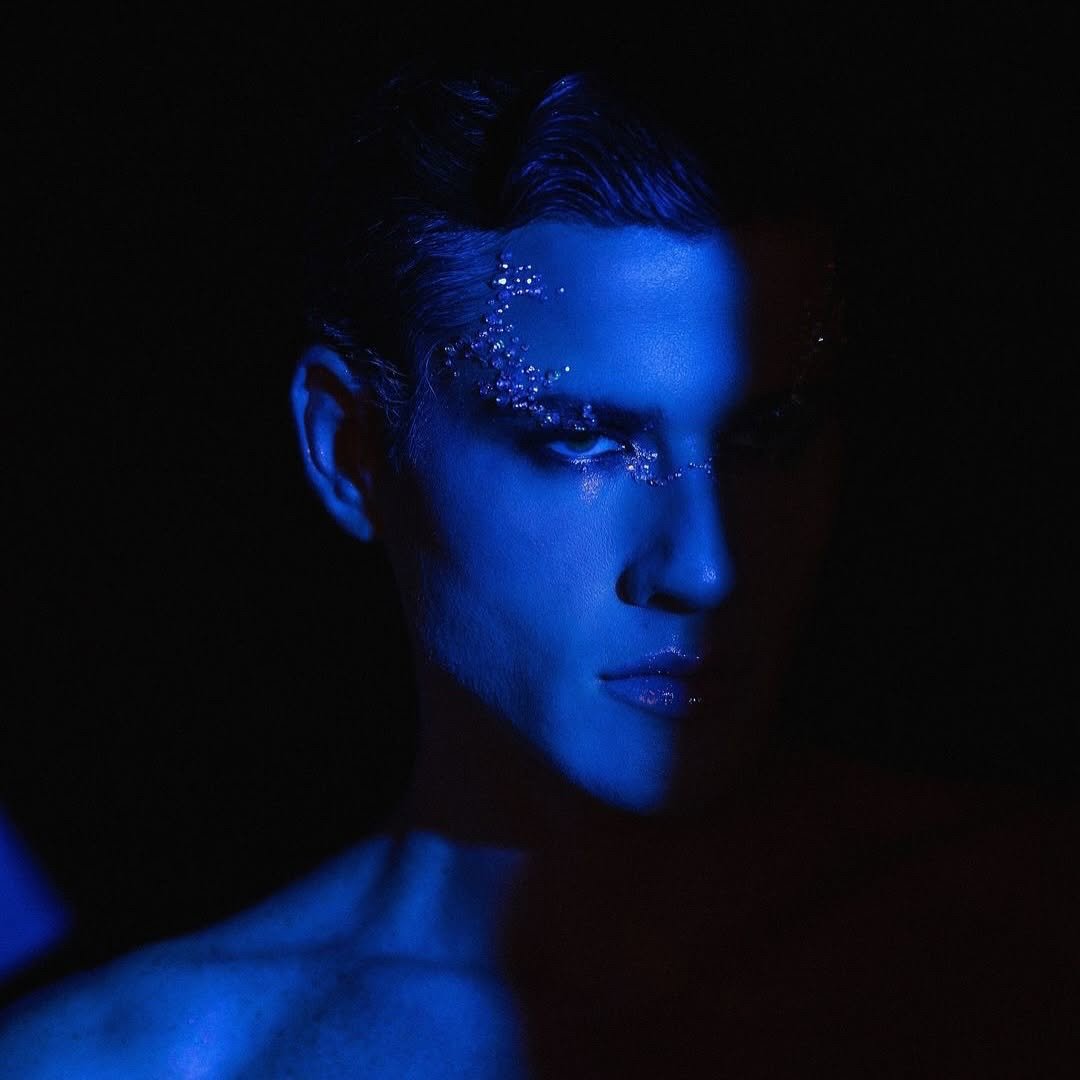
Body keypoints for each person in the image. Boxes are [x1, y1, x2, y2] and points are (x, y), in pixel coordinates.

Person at [2, 64, 1076, 1079]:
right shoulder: (142, 1061)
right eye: (580, 442)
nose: (704, 567)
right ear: (351, 451)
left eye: (767, 436)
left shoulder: (1029, 939)